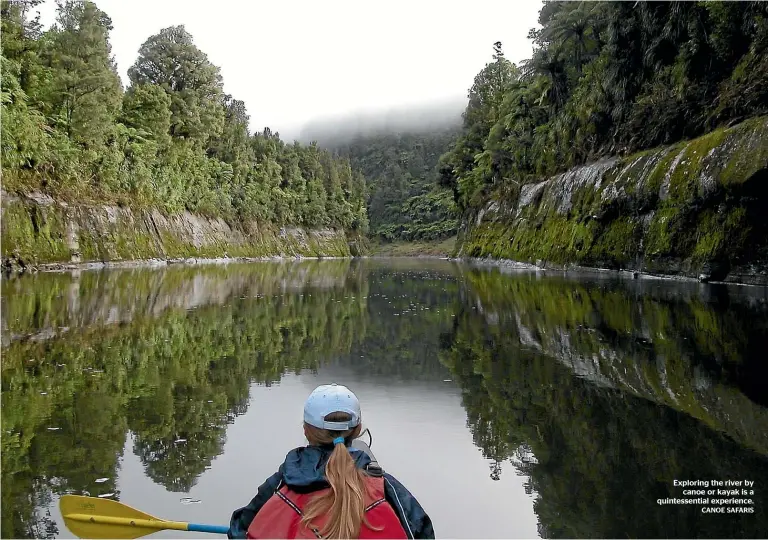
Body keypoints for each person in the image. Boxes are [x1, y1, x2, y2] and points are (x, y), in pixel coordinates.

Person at [228, 383, 435, 539]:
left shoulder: (283, 482)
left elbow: (239, 530)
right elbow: (423, 532)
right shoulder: (384, 486)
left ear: (306, 430)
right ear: (357, 428)